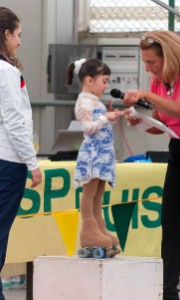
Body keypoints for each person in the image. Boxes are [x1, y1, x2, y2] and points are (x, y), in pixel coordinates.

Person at [123, 30, 180, 300]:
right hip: (179, 153)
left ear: (170, 58)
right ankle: (168, 291)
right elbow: (164, 122)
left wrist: (145, 94)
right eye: (145, 62)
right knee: (172, 223)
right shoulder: (158, 82)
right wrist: (141, 122)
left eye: (152, 62)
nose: (148, 68)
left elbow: (179, 108)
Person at [0, 7, 42, 299]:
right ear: (5, 34)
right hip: (8, 162)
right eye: (18, 35)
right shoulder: (6, 72)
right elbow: (15, 121)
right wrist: (32, 163)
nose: (20, 42)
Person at [66, 58, 126, 257]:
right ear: (89, 81)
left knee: (99, 193)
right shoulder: (83, 101)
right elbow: (87, 128)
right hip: (93, 154)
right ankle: (89, 228)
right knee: (90, 192)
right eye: (104, 81)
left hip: (103, 155)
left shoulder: (94, 101)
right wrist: (104, 118)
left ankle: (99, 225)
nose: (107, 86)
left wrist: (113, 116)